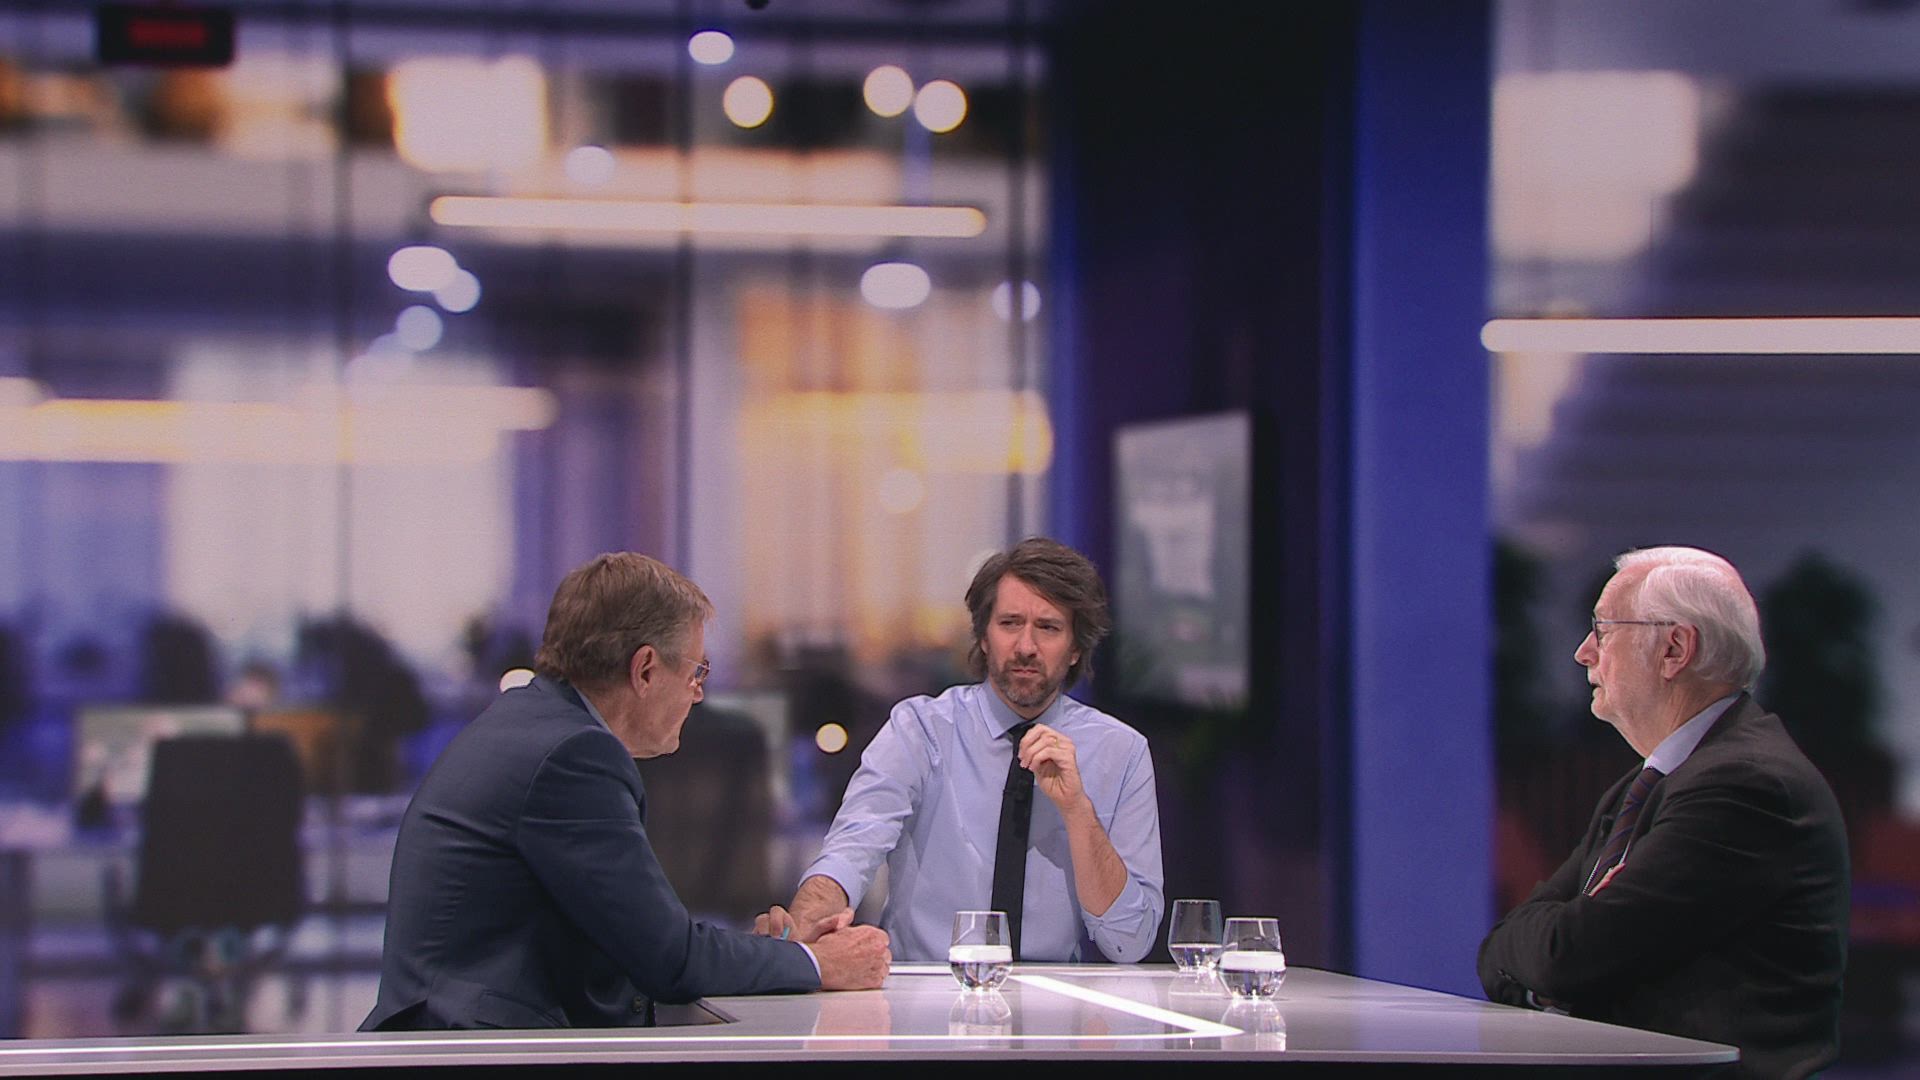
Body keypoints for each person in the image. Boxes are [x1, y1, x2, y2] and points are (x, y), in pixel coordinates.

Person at [363, 553, 889, 1030]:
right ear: (645, 670)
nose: (698, 694)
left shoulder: (531, 723)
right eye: (697, 672)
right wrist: (817, 963)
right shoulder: (573, 756)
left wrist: (773, 956)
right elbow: (669, 959)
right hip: (479, 1055)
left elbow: (639, 941)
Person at [1478, 546, 1848, 1079]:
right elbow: (1502, 950)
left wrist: (1551, 960)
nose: (1584, 653)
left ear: (1674, 649)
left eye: (1603, 630)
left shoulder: (1745, 785)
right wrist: (1550, 955)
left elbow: (1568, 956)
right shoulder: (1649, 783)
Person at [762, 538, 1164, 963]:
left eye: (1048, 628)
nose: (1026, 647)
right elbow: (852, 849)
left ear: (1076, 648)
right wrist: (801, 930)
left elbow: (1129, 942)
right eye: (1009, 623)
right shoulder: (920, 730)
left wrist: (1078, 810)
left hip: (1052, 991)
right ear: (984, 637)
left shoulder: (1121, 752)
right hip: (922, 985)